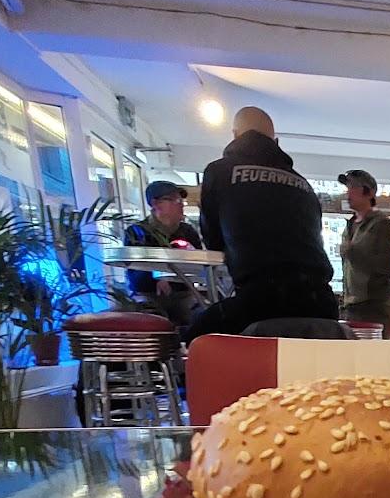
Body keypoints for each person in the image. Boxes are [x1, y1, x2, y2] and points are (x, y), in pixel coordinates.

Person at [186, 106, 336, 340]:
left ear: (235, 135)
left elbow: (213, 241)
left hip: (259, 302)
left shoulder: (219, 172)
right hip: (323, 305)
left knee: (194, 338)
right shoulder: (303, 183)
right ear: (276, 141)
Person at [123, 180, 203, 325]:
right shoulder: (137, 232)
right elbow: (135, 272)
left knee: (201, 316)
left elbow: (198, 263)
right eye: (175, 200)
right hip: (148, 295)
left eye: (181, 200)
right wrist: (157, 277)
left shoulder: (187, 231)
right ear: (155, 203)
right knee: (149, 317)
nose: (181, 205)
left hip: (184, 294)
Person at [338, 168, 390, 336]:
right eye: (347, 188)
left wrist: (354, 254)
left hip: (372, 308)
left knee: (372, 359)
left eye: (353, 188)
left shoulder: (381, 225)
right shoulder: (350, 225)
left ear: (368, 192)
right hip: (350, 306)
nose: (347, 193)